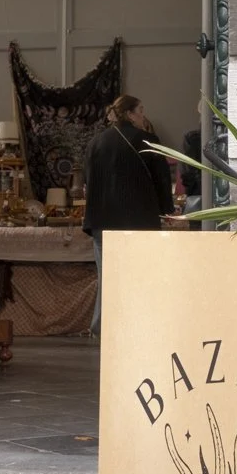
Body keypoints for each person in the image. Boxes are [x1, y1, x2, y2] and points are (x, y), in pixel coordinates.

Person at [82, 94, 176, 335]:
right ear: (130, 114)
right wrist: (167, 210)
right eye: (140, 110)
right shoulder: (148, 141)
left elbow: (88, 182)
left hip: (101, 220)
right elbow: (162, 180)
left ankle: (101, 327)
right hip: (138, 219)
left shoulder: (96, 142)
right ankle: (138, 327)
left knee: (107, 276)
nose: (144, 115)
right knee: (141, 275)